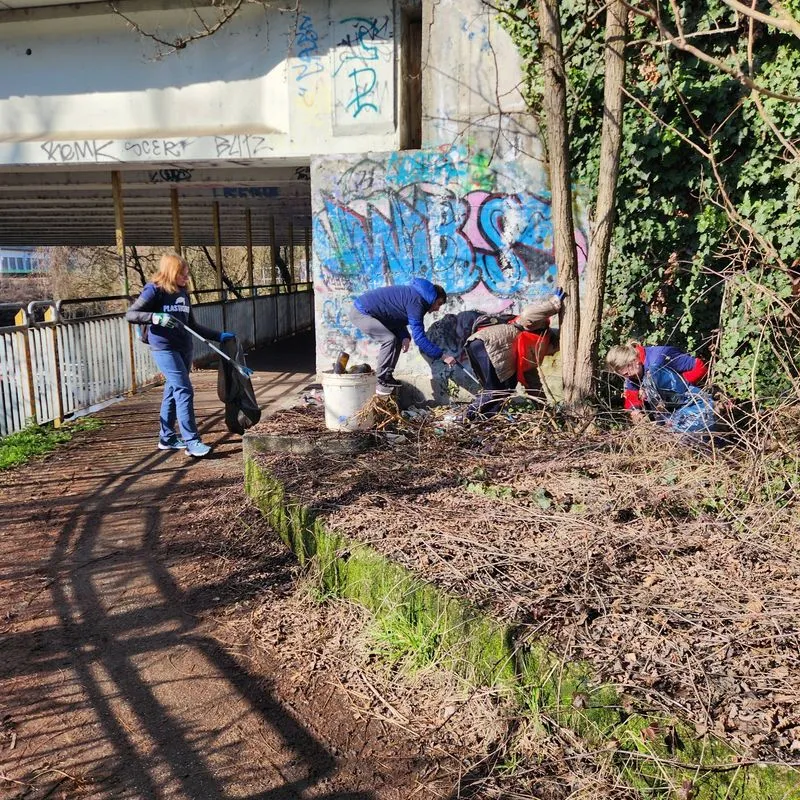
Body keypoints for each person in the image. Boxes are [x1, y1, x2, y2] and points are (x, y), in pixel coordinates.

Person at [126, 252, 236, 457]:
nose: (187, 278)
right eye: (182, 274)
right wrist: (155, 317)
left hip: (184, 347)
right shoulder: (155, 290)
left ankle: (166, 437)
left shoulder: (183, 292)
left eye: (187, 275)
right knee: (184, 390)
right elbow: (131, 314)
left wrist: (218, 335)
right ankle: (192, 442)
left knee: (172, 390)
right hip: (164, 348)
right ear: (171, 271)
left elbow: (192, 325)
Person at [461, 289, 564, 420]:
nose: (551, 354)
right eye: (554, 351)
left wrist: (543, 409)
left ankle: (485, 420)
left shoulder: (535, 352)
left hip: (480, 345)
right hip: (489, 344)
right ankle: (466, 416)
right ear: (554, 344)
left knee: (506, 389)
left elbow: (532, 384)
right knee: (497, 391)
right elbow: (528, 315)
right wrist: (553, 305)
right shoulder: (540, 329)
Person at [350, 278, 457, 395]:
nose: (438, 309)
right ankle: (381, 380)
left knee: (396, 340)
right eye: (439, 304)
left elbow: (395, 314)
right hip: (361, 312)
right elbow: (420, 339)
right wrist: (442, 356)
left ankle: (387, 376)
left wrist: (404, 336)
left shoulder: (416, 296)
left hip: (371, 313)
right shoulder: (417, 302)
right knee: (389, 339)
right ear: (433, 297)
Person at [605, 341, 715, 435]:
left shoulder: (661, 356)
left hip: (692, 402)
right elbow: (631, 393)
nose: (628, 376)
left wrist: (678, 384)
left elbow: (699, 367)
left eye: (627, 373)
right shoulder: (633, 372)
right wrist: (635, 411)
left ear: (633, 360)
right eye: (624, 375)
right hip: (666, 412)